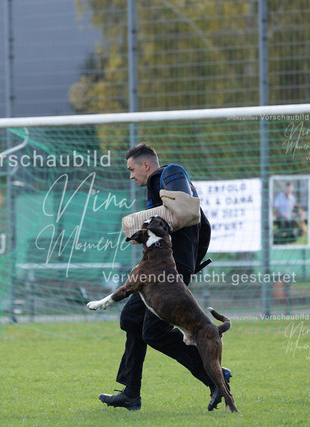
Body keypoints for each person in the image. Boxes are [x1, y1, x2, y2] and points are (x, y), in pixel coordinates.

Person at [98, 143, 231, 411]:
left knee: (149, 330)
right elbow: (202, 225)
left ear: (146, 165)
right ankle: (131, 393)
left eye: (132, 169)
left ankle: (215, 375)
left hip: (169, 272)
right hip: (168, 269)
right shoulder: (164, 188)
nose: (131, 176)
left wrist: (184, 265)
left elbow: (188, 217)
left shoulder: (167, 175)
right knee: (134, 321)